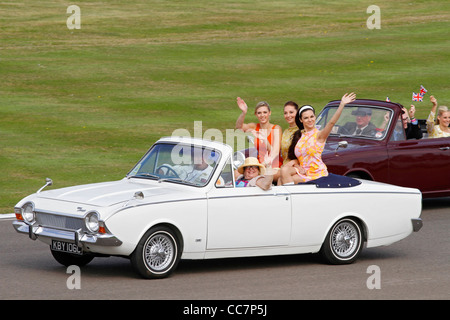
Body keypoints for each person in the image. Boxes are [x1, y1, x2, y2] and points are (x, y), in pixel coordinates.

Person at [280, 93, 356, 185]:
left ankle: (291, 198)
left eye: (312, 117)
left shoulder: (319, 135)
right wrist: (295, 165)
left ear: (315, 117)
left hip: (316, 174)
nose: (310, 120)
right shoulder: (301, 135)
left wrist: (342, 105)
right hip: (303, 172)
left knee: (284, 179)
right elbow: (301, 157)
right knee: (283, 172)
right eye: (306, 118)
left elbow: (331, 123)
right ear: (301, 120)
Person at [235, 97, 283, 173]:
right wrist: (244, 112)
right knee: (236, 173)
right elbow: (239, 127)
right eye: (259, 113)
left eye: (265, 112)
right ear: (256, 114)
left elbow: (275, 153)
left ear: (269, 113)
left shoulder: (276, 128)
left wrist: (265, 140)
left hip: (273, 165)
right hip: (259, 165)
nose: (262, 115)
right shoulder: (254, 126)